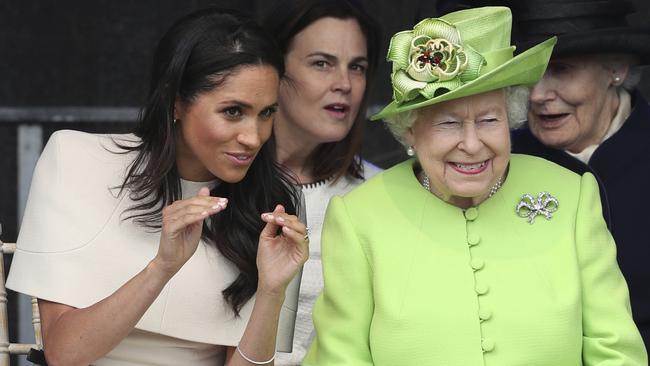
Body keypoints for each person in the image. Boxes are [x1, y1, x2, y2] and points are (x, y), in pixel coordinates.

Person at [304, 6, 647, 365]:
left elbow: (616, 351)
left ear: (510, 120)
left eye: (488, 119)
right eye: (448, 123)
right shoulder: (359, 216)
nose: (472, 144)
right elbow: (340, 358)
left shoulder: (572, 195)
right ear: (409, 129)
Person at [6, 8, 308, 366]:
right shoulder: (75, 160)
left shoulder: (273, 204)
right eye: (232, 111)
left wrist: (272, 293)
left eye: (267, 113)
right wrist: (161, 267)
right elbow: (64, 354)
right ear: (176, 102)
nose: (253, 137)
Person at [501, 0, 650, 346]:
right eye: (529, 74)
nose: (537, 96)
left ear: (616, 68)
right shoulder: (500, 162)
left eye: (561, 69)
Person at [260, 1, 381, 363]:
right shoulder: (220, 180)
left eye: (356, 67)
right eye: (322, 63)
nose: (344, 84)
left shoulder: (379, 194)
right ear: (274, 69)